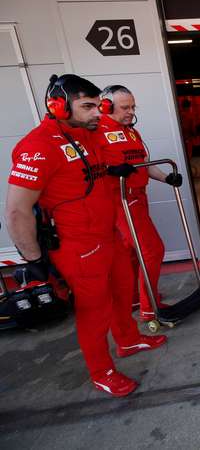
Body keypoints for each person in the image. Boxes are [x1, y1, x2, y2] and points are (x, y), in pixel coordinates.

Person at [5, 74, 165, 397]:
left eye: (98, 106)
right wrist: (35, 262)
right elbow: (16, 211)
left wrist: (120, 167)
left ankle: (128, 339)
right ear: (59, 106)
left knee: (122, 291)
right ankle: (102, 372)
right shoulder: (37, 147)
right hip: (77, 247)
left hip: (108, 235)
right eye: (89, 106)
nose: (97, 113)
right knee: (95, 311)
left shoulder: (88, 136)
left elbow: (111, 161)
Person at [94, 85, 184, 322]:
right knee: (153, 250)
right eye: (125, 107)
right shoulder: (94, 132)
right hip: (119, 200)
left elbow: (144, 163)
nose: (131, 112)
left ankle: (137, 297)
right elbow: (86, 170)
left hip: (138, 197)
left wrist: (167, 178)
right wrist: (109, 170)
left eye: (133, 107)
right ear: (106, 106)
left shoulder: (131, 132)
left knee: (132, 253)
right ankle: (148, 308)